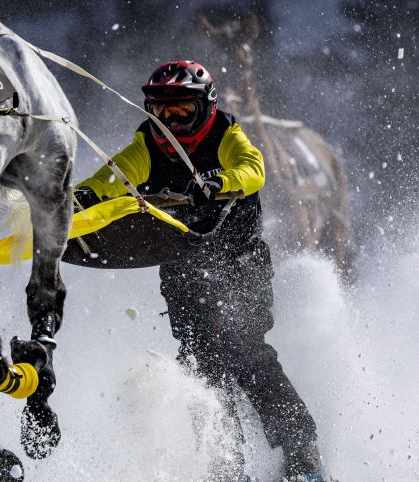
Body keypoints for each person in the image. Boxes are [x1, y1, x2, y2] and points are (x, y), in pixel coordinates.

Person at [73, 60, 325, 481]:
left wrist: (219, 181)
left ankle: (303, 456)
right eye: (160, 111)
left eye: (181, 111)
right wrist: (84, 195)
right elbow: (113, 177)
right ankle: (225, 466)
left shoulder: (227, 135)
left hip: (241, 265)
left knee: (247, 355)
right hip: (183, 272)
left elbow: (254, 169)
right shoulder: (147, 145)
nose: (169, 122)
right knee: (200, 366)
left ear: (205, 106)